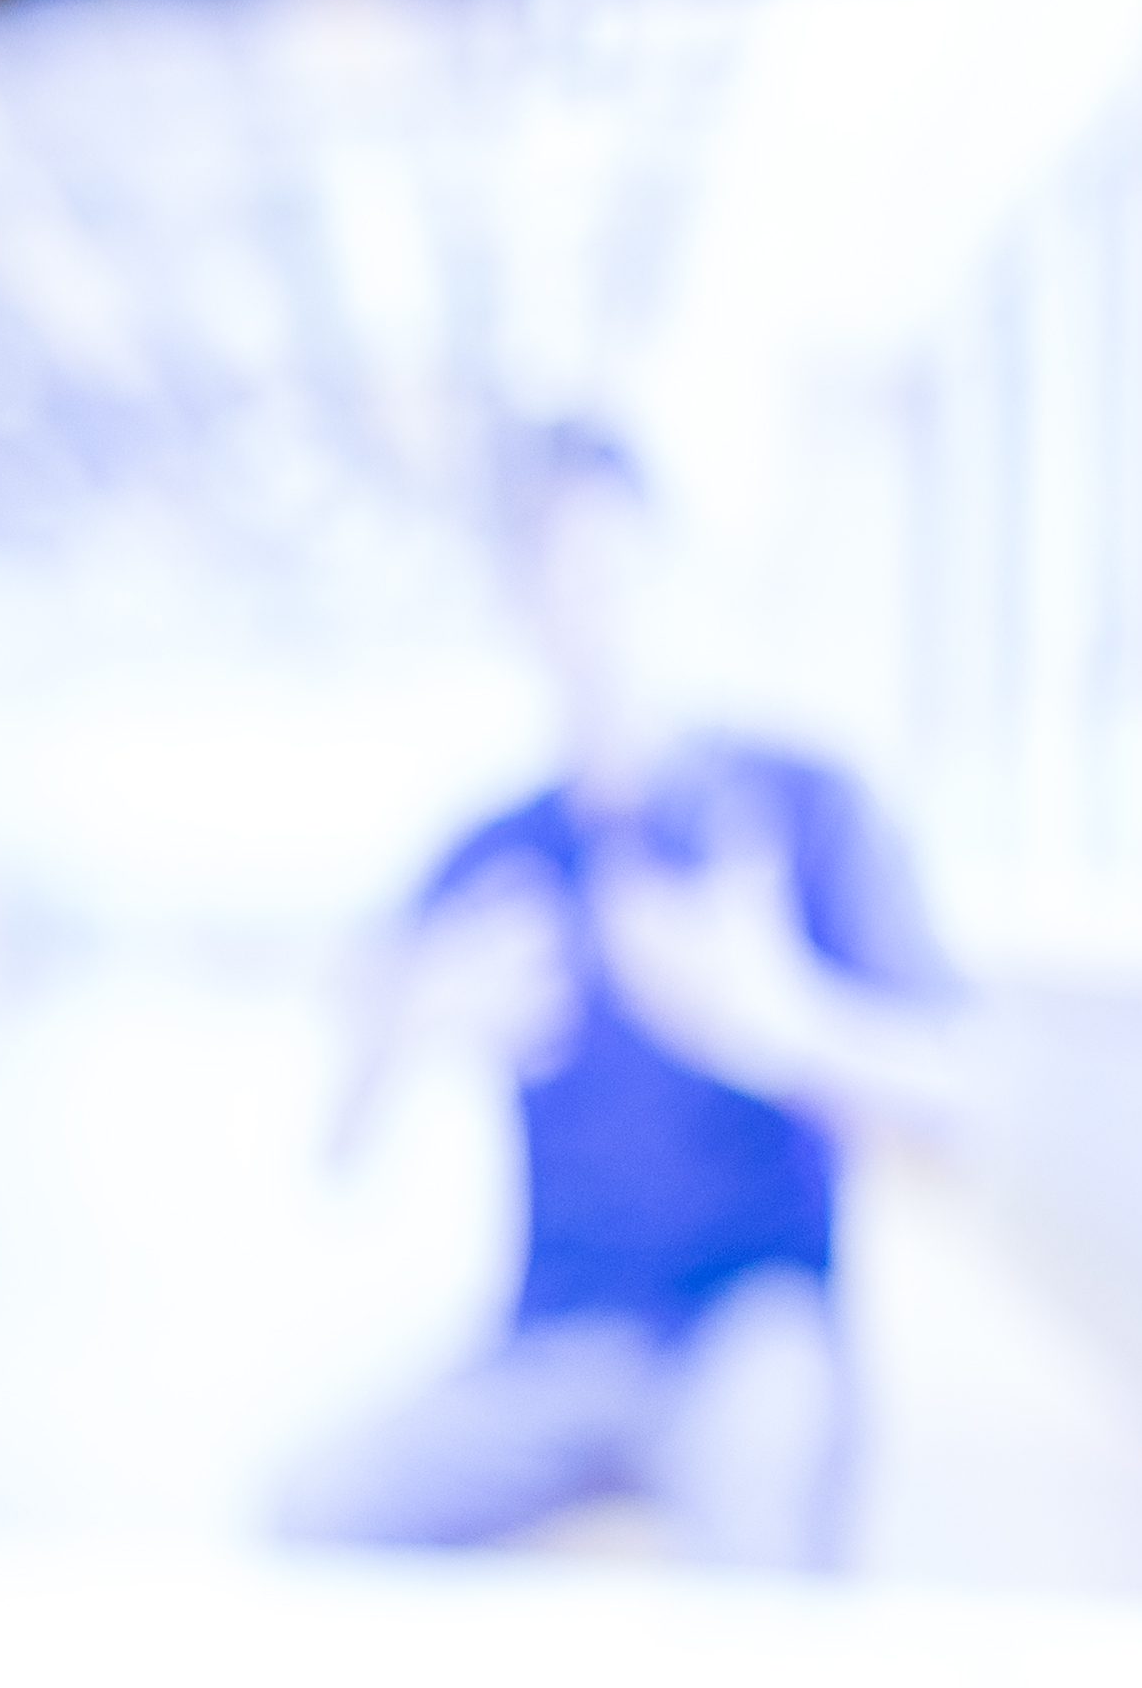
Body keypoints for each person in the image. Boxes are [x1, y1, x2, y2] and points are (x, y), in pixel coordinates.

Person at [281, 422, 963, 1572]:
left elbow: (958, 1105)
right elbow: (336, 1155)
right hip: (560, 1341)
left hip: (756, 1326)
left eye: (609, 575)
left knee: (754, 1550)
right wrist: (405, 1029)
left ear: (673, 578)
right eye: (551, 582)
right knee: (310, 1513)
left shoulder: (807, 809)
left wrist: (781, 1022)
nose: (587, 618)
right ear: (519, 609)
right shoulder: (494, 854)